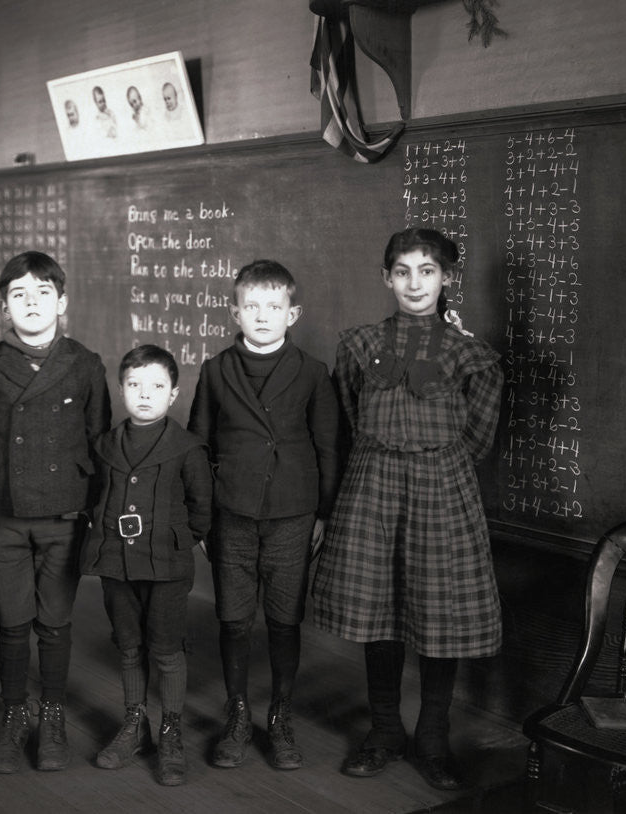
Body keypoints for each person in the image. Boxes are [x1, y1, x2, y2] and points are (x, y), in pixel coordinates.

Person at [312, 228, 503, 792]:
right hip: (372, 486)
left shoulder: (474, 356)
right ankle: (384, 730)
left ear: (447, 279)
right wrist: (388, 457)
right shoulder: (358, 345)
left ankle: (435, 737)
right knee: (380, 609)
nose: (414, 283)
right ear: (386, 278)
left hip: (443, 489)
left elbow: (478, 435)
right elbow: (347, 416)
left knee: (440, 613)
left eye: (427, 271)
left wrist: (429, 461)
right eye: (402, 271)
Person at [188, 260, 341, 771]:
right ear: (235, 311)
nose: (262, 316)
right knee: (233, 619)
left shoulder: (314, 373)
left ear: (292, 313)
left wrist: (323, 512)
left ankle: (280, 716)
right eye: (251, 306)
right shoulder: (216, 370)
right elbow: (199, 446)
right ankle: (236, 713)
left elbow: (328, 447)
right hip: (232, 512)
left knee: (283, 619)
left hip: (293, 514)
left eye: (273, 307)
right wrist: (202, 516)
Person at [0, 250, 111, 774]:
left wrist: (97, 514)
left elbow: (99, 442)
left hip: (65, 514)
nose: (31, 303)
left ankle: (50, 715)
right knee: (11, 623)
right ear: (4, 306)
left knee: (54, 622)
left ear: (62, 302)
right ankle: (12, 715)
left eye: (43, 293)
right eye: (19, 295)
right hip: (4, 513)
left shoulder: (85, 363)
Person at [82, 344, 212, 786]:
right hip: (117, 564)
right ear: (121, 389)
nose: (144, 394)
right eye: (134, 384)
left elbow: (201, 508)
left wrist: (177, 541)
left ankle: (170, 730)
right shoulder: (104, 446)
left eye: (156, 386)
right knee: (129, 644)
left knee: (166, 648)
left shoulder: (187, 447)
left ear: (173, 394)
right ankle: (134, 723)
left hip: (168, 567)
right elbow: (93, 496)